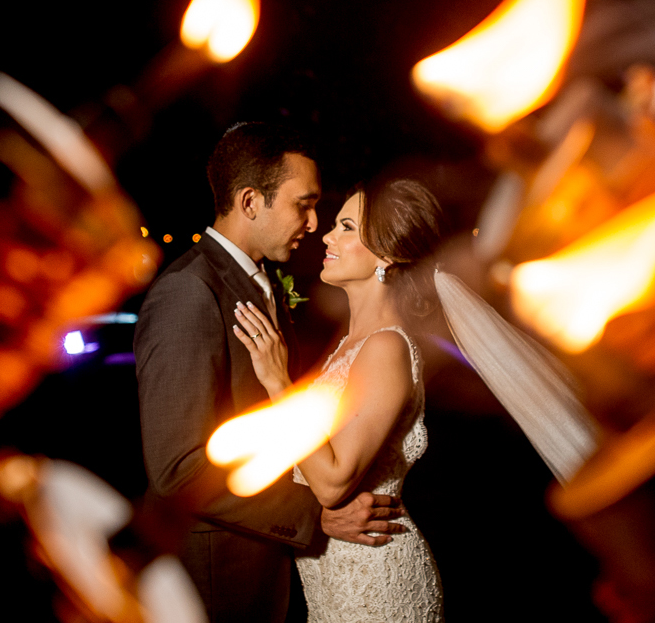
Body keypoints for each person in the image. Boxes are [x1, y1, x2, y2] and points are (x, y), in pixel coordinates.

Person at [134, 123, 406, 623]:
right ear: (251, 201)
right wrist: (314, 516)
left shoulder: (260, 285)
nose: (312, 222)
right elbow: (177, 471)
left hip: (275, 571)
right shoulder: (189, 293)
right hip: (219, 575)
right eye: (302, 204)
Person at [234, 177, 446, 623]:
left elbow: (332, 484)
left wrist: (278, 384)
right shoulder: (350, 343)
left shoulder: (386, 347)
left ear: (386, 255)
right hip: (333, 583)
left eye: (346, 227)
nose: (327, 236)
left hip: (376, 585)